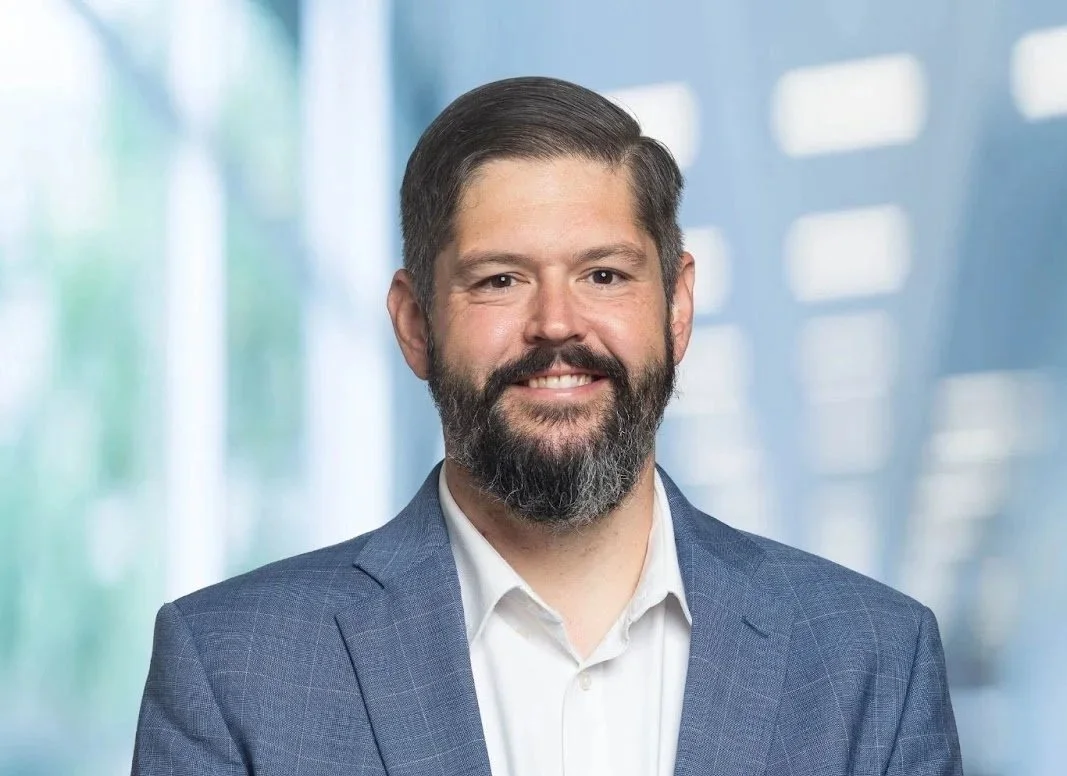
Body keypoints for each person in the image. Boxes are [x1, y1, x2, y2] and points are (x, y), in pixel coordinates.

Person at [131, 76, 964, 776]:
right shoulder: (235, 672)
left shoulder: (872, 663)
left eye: (604, 274)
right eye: (499, 281)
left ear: (676, 306)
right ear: (415, 322)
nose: (557, 326)